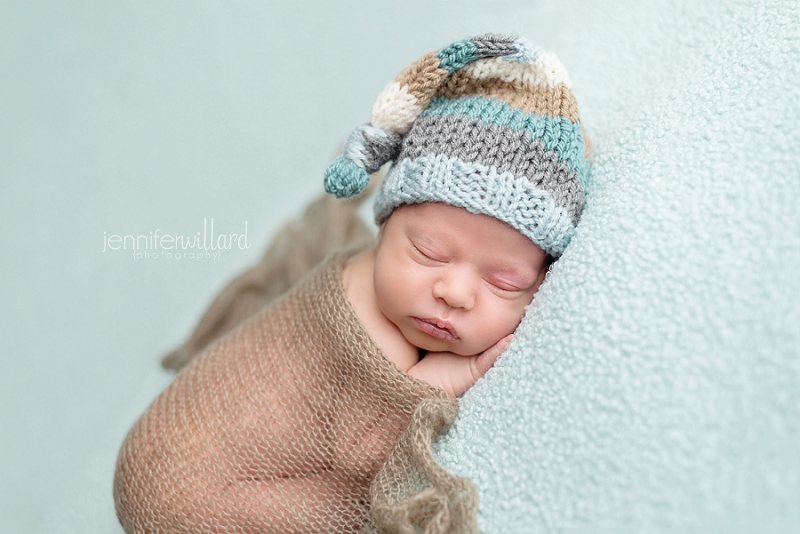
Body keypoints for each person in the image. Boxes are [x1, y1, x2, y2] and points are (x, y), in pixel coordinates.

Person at [114, 33, 590, 534]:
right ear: (384, 224)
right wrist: (452, 376)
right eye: (429, 252)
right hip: (200, 504)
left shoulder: (373, 267)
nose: (455, 292)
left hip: (155, 445)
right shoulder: (370, 326)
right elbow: (364, 454)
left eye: (504, 281)